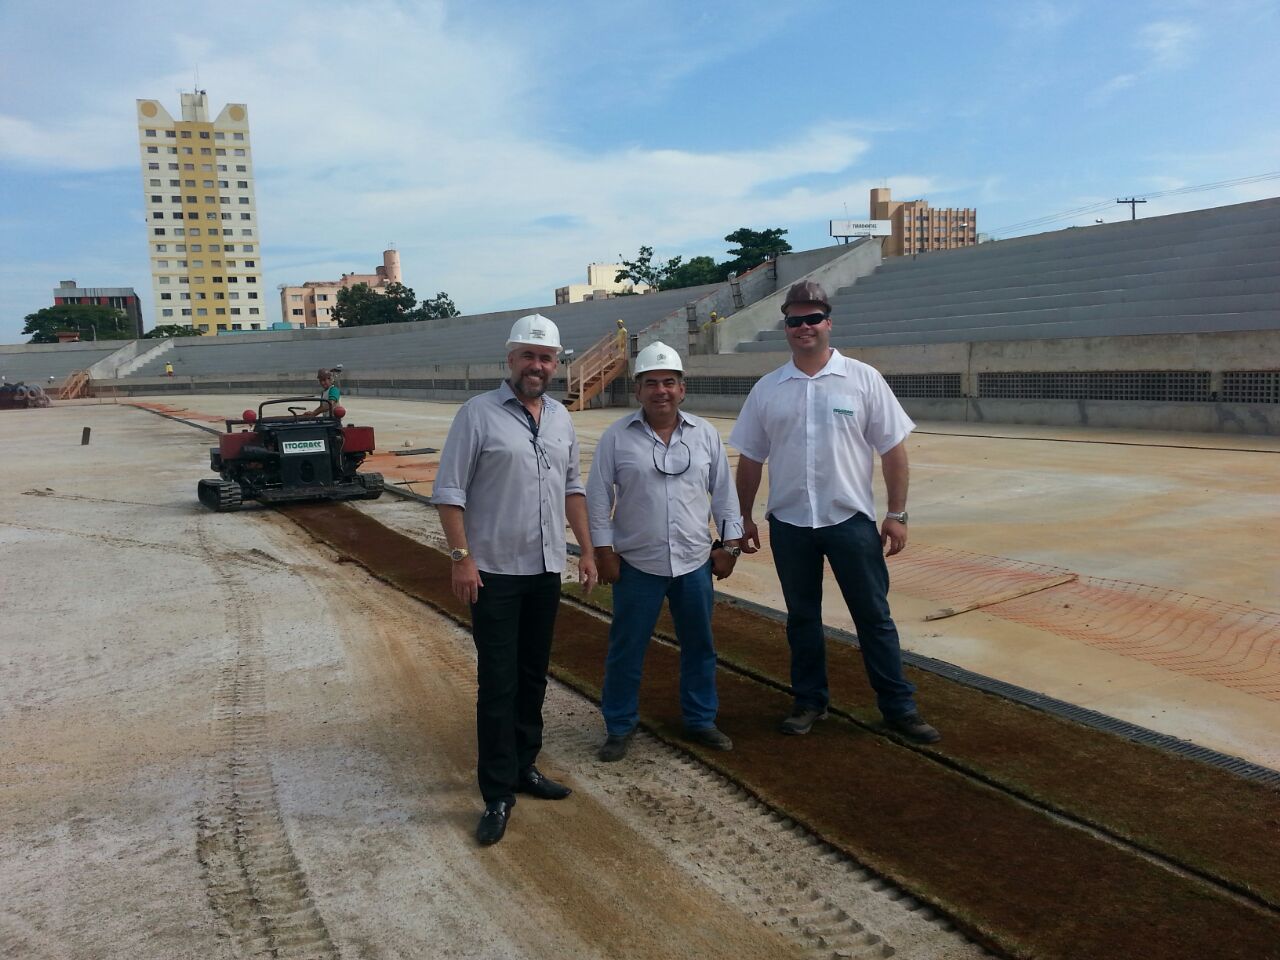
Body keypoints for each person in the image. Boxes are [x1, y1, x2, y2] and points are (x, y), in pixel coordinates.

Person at [729, 280, 940, 744]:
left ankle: (898, 706)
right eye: (793, 320)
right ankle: (809, 701)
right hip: (790, 524)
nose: (803, 327)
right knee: (802, 618)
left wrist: (897, 514)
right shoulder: (768, 389)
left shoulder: (863, 379)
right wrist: (741, 518)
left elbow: (893, 450)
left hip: (851, 523)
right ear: (785, 327)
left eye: (812, 318)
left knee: (874, 617)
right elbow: (750, 460)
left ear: (828, 322)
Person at [433, 314, 599, 846]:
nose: (537, 365)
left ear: (556, 364)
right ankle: (497, 792)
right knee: (498, 683)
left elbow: (573, 489)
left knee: (532, 676)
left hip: (545, 570)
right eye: (528, 355)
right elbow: (450, 492)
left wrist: (587, 552)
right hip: (495, 573)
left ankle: (526, 766)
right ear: (510, 360)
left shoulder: (560, 418)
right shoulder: (477, 415)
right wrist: (462, 557)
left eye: (546, 357)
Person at [586, 342, 743, 762]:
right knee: (627, 647)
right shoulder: (617, 438)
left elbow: (724, 495)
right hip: (637, 563)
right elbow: (598, 497)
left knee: (699, 645)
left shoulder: (705, 434)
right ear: (637, 391)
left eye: (669, 383)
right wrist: (603, 551)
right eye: (651, 383)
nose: (661, 391)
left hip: (693, 563)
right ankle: (619, 724)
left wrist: (730, 547)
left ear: (682, 389)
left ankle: (700, 718)